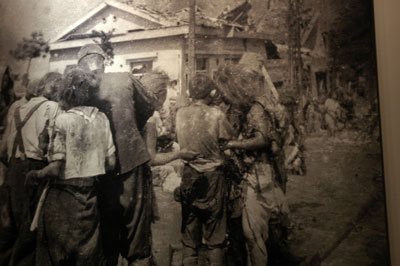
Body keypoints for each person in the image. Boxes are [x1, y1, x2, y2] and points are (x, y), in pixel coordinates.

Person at [76, 43, 161, 266]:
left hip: (97, 166)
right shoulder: (125, 78)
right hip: (131, 158)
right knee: (136, 233)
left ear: (81, 65)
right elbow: (150, 105)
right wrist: (129, 125)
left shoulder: (79, 87)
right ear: (103, 62)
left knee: (106, 230)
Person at [214, 56, 302, 266]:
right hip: (259, 175)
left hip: (259, 175)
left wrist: (233, 145)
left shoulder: (256, 108)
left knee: (253, 233)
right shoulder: (247, 108)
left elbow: (261, 139)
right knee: (257, 230)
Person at [27, 69, 116, 265]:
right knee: (86, 254)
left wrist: (36, 174)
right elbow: (111, 163)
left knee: (54, 254)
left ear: (66, 93)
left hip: (64, 197)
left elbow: (56, 168)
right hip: (90, 198)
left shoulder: (63, 120)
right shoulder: (102, 119)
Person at [0, 73, 61, 266]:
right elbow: (56, 145)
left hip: (12, 169)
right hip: (34, 170)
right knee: (31, 227)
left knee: (8, 226)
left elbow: (3, 150)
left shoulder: (16, 108)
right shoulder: (52, 108)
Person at [175, 73, 234, 266]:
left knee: (189, 236)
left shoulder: (180, 113)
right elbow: (227, 141)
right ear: (211, 92)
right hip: (213, 178)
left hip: (189, 175)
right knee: (215, 238)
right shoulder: (216, 114)